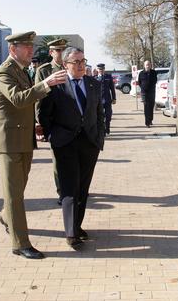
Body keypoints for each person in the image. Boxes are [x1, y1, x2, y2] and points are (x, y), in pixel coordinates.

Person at [0, 31, 68, 260]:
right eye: (26, 47)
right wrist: (46, 83)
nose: (31, 51)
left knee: (18, 190)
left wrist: (35, 123)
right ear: (12, 49)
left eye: (31, 47)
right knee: (15, 196)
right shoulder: (4, 72)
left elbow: (26, 104)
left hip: (23, 138)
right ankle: (20, 243)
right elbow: (19, 99)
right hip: (9, 143)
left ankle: (6, 216)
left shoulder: (21, 70)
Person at [39, 47, 105, 248]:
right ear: (65, 64)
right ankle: (70, 233)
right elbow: (44, 114)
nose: (81, 65)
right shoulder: (56, 85)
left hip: (89, 143)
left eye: (83, 61)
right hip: (65, 144)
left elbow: (99, 113)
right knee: (69, 188)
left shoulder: (93, 83)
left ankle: (76, 226)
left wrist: (99, 137)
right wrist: (52, 136)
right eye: (76, 62)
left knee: (83, 189)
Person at [35, 38, 68, 200]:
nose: (61, 53)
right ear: (51, 52)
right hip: (54, 120)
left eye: (63, 50)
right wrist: (38, 122)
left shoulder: (72, 66)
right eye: (58, 50)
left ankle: (74, 188)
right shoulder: (44, 70)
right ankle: (62, 191)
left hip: (73, 119)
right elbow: (38, 96)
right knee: (59, 159)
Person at [95, 63, 116, 135]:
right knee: (100, 116)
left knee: (108, 116)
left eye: (102, 69)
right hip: (99, 100)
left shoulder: (108, 77)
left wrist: (114, 98)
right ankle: (103, 130)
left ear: (104, 69)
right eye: (100, 69)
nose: (101, 70)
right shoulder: (95, 78)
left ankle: (107, 127)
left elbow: (112, 88)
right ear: (97, 70)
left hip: (107, 99)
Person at [137, 60, 158, 127]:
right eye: (146, 65)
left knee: (151, 106)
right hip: (144, 93)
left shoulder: (153, 72)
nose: (148, 66)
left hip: (152, 92)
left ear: (150, 65)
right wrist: (143, 87)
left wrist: (151, 87)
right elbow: (139, 82)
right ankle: (147, 122)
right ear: (144, 66)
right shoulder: (141, 73)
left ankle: (150, 119)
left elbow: (155, 81)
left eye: (149, 64)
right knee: (146, 107)